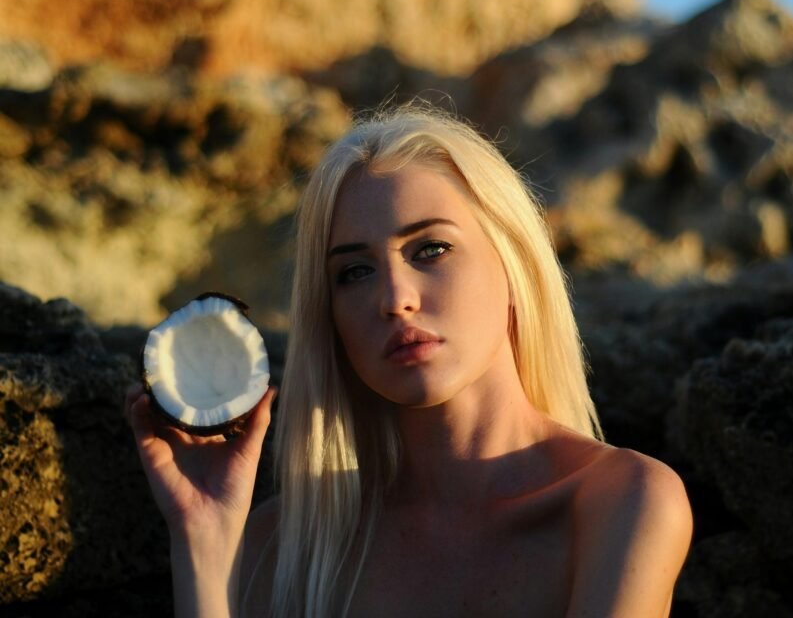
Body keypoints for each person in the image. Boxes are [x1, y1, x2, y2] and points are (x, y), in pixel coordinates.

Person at [125, 104, 692, 617]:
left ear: (515, 262)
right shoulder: (284, 546)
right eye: (353, 272)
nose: (395, 298)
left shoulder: (622, 502)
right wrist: (204, 538)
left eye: (431, 250)